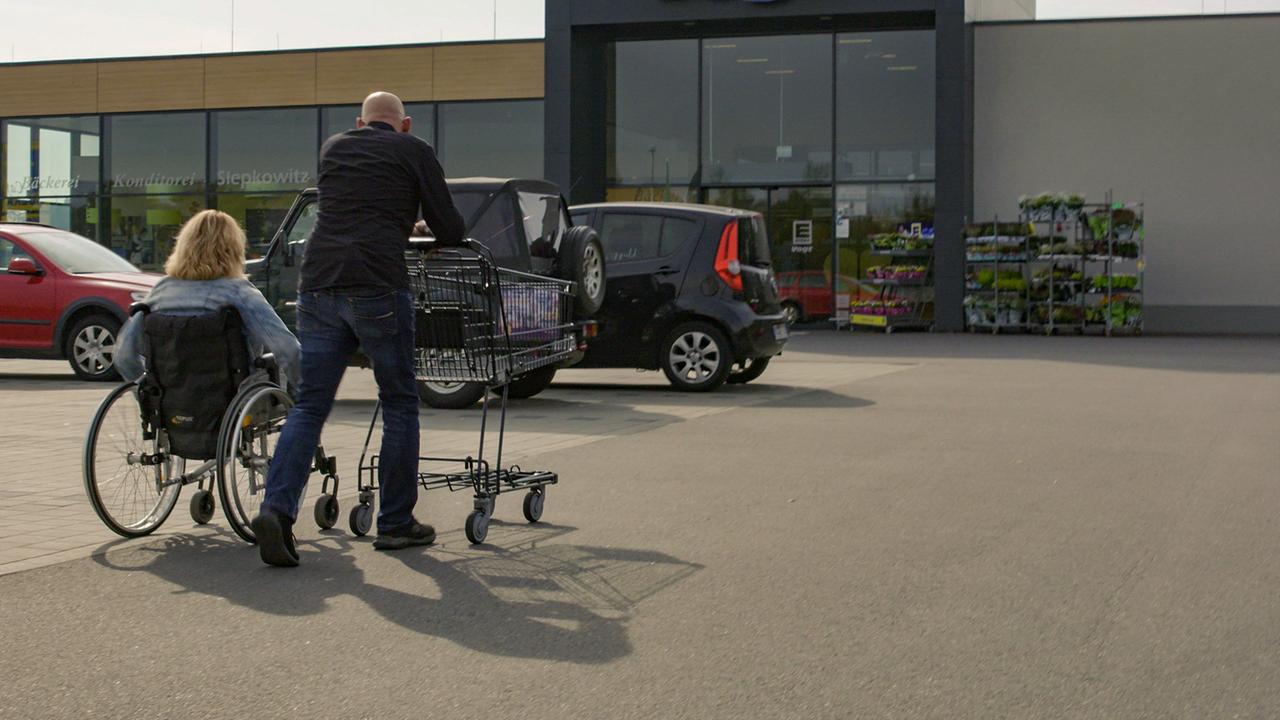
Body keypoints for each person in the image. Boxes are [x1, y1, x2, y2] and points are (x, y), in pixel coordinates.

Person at [251, 91, 466, 567]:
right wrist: (417, 229)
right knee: (399, 402)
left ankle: (276, 509)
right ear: (404, 124)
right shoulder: (415, 150)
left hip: (319, 283)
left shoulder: (334, 147)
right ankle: (395, 524)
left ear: (359, 122)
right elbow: (449, 227)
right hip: (377, 285)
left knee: (309, 406)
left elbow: (354, 204)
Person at [115, 210, 300, 391]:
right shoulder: (239, 292)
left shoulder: (161, 291)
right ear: (234, 250)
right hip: (233, 400)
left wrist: (146, 391)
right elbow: (288, 350)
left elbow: (124, 356)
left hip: (170, 401)